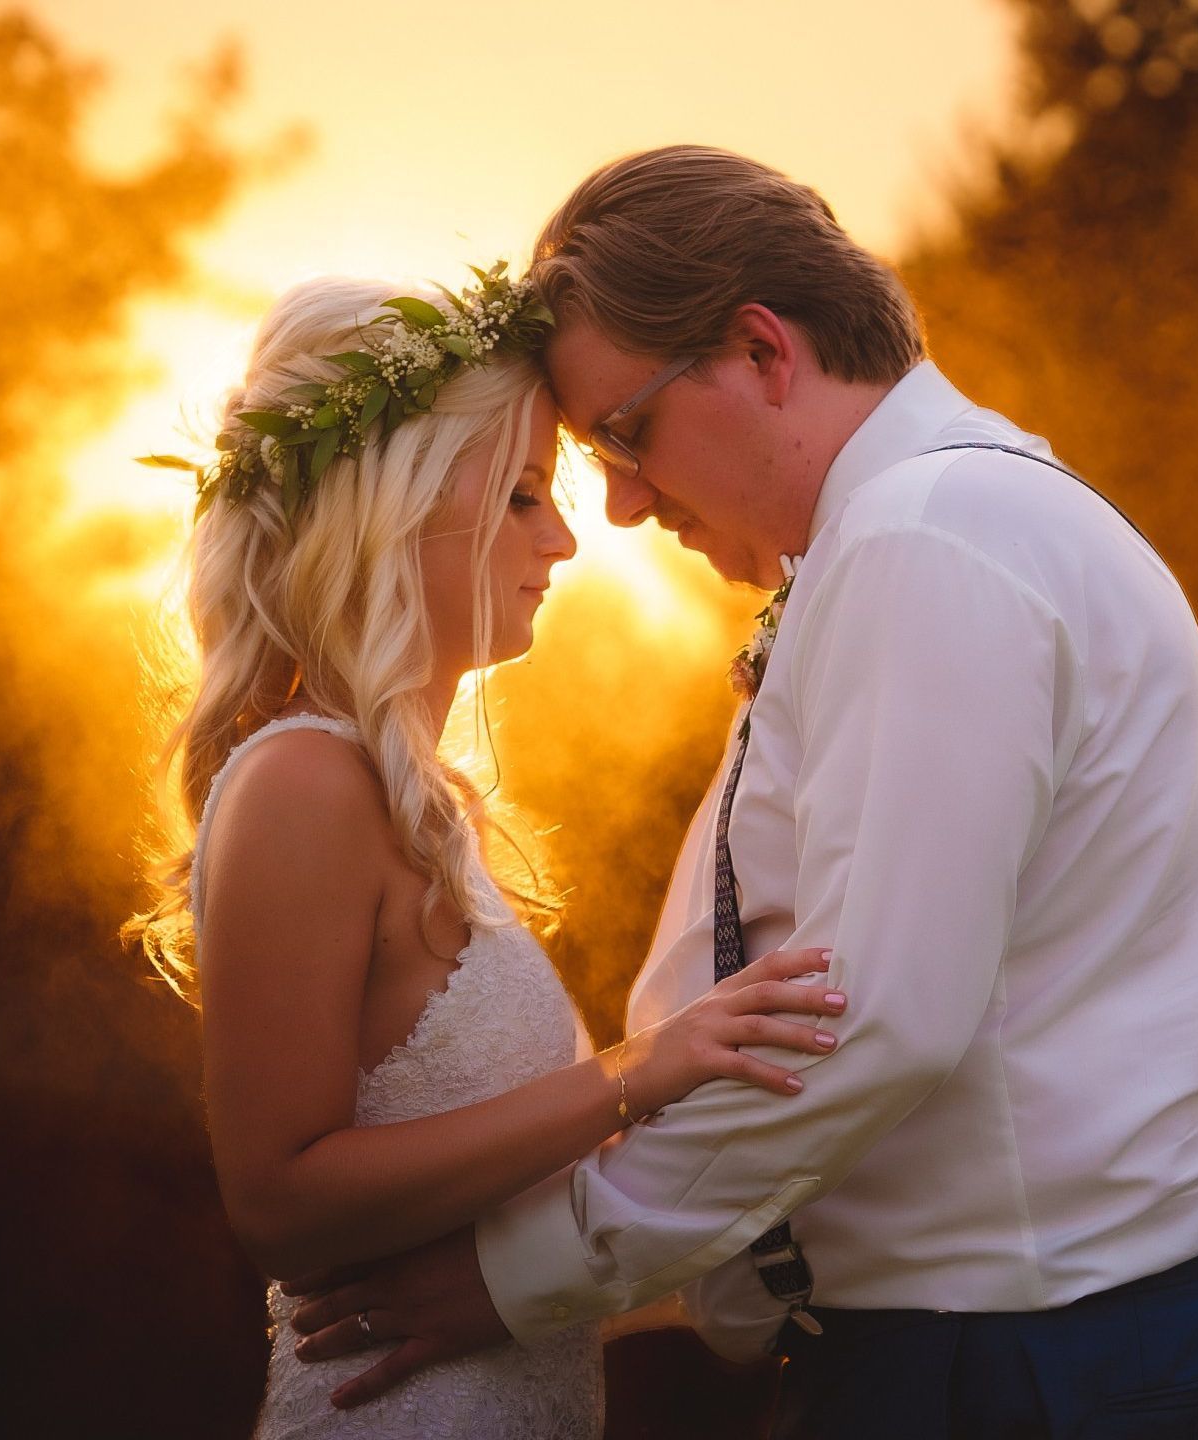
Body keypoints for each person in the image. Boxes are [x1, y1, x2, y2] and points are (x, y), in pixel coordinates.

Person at [286, 147, 1198, 1438]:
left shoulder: (929, 540)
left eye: (625, 435)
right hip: (1014, 1342)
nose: (623, 505)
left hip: (1029, 1361)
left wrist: (522, 1275)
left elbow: (864, 1022)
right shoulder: (934, 522)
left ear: (763, 351)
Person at [121, 267, 850, 1437]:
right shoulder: (304, 784)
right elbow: (280, 1205)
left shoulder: (422, 802)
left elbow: (493, 1209)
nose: (562, 538)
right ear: (391, 508)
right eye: (521, 496)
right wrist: (636, 1071)